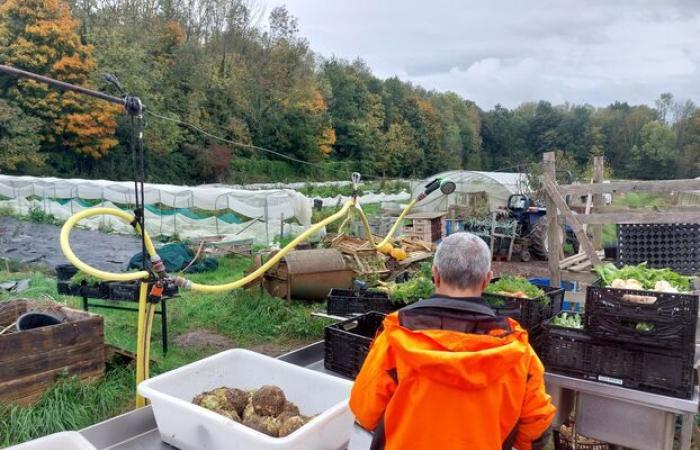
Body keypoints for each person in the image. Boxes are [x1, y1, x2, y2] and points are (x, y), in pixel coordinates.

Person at [349, 232, 555, 450]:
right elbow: (535, 434)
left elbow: (365, 412)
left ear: (435, 275)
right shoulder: (517, 350)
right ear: (486, 280)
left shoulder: (394, 337)